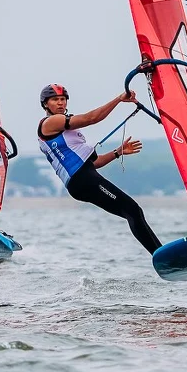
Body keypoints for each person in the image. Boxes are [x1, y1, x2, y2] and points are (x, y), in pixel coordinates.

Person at [37, 84, 163, 254]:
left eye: (63, 99)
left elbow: (94, 163)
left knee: (132, 212)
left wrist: (118, 152)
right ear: (45, 104)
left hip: (83, 178)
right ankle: (162, 255)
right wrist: (119, 99)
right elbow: (91, 118)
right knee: (133, 210)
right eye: (55, 100)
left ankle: (162, 255)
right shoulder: (51, 122)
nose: (60, 103)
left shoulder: (68, 134)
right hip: (82, 179)